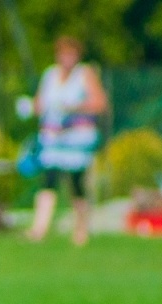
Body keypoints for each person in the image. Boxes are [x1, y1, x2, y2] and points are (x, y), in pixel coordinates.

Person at [26, 36, 106, 247]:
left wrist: (74, 107)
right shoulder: (50, 75)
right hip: (53, 138)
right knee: (48, 180)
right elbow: (40, 102)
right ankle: (39, 228)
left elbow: (99, 103)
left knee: (76, 183)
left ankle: (81, 229)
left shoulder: (84, 74)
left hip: (76, 139)